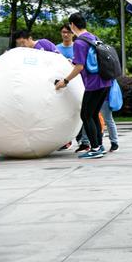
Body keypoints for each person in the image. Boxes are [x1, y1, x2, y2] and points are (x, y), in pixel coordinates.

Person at [55, 13, 112, 159]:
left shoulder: (80, 42)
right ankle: (99, 146)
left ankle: (95, 148)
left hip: (94, 84)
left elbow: (79, 67)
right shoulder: (93, 37)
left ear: (73, 25)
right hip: (105, 81)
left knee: (85, 114)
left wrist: (65, 81)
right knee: (92, 114)